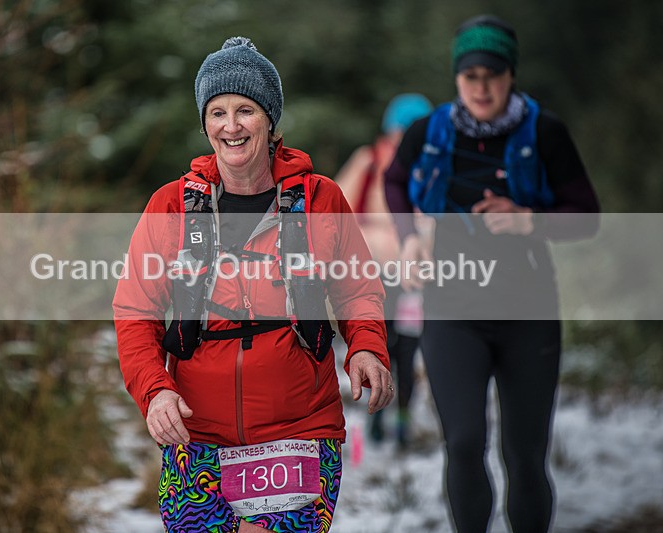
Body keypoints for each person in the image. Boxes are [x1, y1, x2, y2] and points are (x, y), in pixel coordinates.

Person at [113, 36, 393, 533]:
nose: (231, 126)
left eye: (245, 110)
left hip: (299, 430)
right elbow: (136, 311)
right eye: (217, 112)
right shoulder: (172, 205)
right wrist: (154, 391)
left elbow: (357, 291)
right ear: (204, 124)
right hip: (196, 434)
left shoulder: (319, 198)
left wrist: (366, 347)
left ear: (269, 120)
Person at [384, 15, 600, 533]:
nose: (482, 87)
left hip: (528, 310)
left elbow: (587, 216)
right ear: (457, 78)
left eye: (493, 74)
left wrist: (530, 221)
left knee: (524, 455)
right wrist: (410, 238)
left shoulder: (544, 132)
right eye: (471, 75)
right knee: (461, 443)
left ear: (511, 76)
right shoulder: (429, 130)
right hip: (452, 308)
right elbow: (395, 181)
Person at [335, 93, 433, 447]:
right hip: (372, 272)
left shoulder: (431, 165)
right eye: (401, 131)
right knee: (377, 342)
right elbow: (335, 207)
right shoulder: (369, 161)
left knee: (408, 346)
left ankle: (403, 412)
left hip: (413, 275)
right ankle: (378, 412)